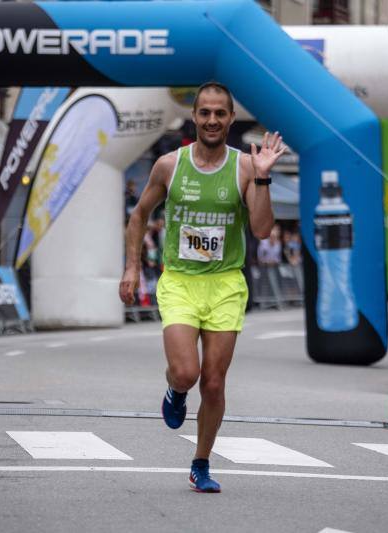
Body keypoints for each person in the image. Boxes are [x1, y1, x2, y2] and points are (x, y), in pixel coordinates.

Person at [119, 82, 284, 493]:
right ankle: (176, 390)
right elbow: (138, 216)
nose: (212, 120)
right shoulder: (169, 166)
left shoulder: (244, 167)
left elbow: (262, 230)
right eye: (205, 113)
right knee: (187, 372)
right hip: (179, 280)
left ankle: (201, 462)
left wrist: (262, 179)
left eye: (220, 114)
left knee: (213, 382)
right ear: (194, 117)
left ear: (230, 119)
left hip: (226, 283)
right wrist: (132, 268)